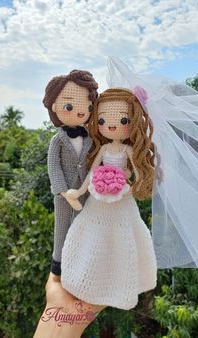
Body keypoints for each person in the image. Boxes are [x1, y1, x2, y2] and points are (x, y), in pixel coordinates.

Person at [61, 87, 158, 310]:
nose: (111, 126)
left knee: (122, 236)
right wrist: (80, 191)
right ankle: (85, 279)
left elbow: (138, 172)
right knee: (92, 235)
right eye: (103, 120)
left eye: (122, 120)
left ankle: (118, 282)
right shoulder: (103, 148)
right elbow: (91, 173)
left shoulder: (128, 150)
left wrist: (133, 186)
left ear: (133, 121)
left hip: (121, 197)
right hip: (98, 196)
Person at [43, 70, 98, 276]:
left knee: (83, 226)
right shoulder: (57, 140)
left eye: (89, 107)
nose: (82, 112)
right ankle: (58, 263)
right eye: (69, 106)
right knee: (62, 226)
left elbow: (93, 162)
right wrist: (63, 191)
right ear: (56, 107)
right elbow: (53, 166)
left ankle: (79, 262)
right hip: (64, 193)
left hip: (85, 191)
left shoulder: (90, 139)